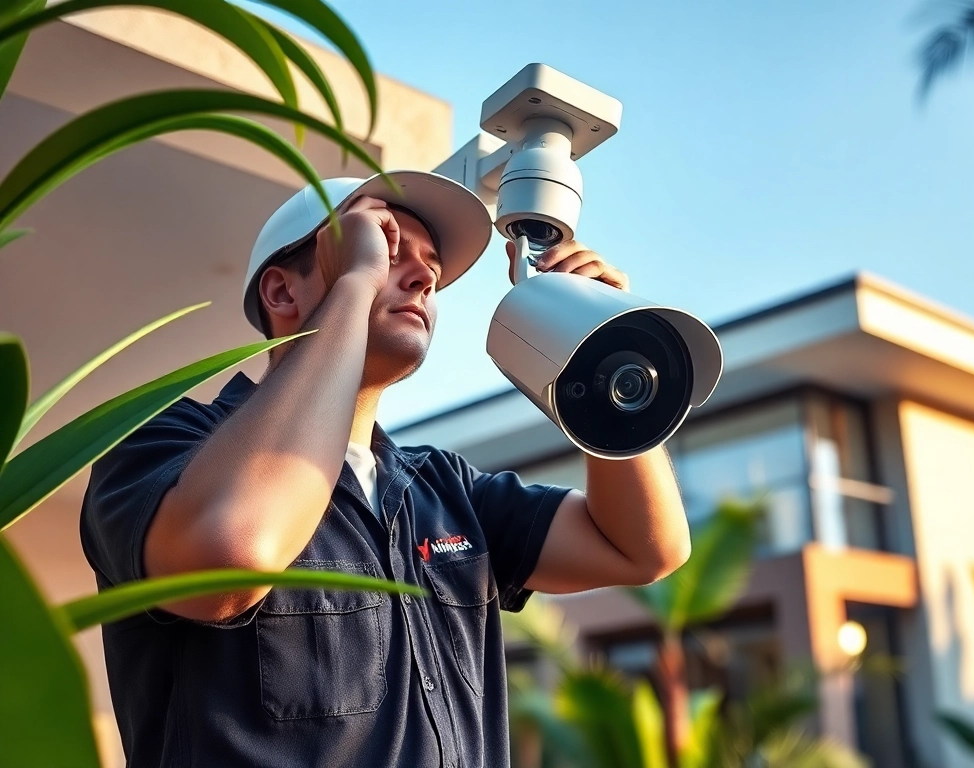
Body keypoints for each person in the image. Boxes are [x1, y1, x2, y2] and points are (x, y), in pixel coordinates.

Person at [79, 171, 691, 768]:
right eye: (388, 243)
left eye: (431, 264)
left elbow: (642, 548)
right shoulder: (162, 449)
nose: (424, 275)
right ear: (282, 292)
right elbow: (230, 554)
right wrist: (355, 283)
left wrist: (602, 344)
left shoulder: (446, 489)